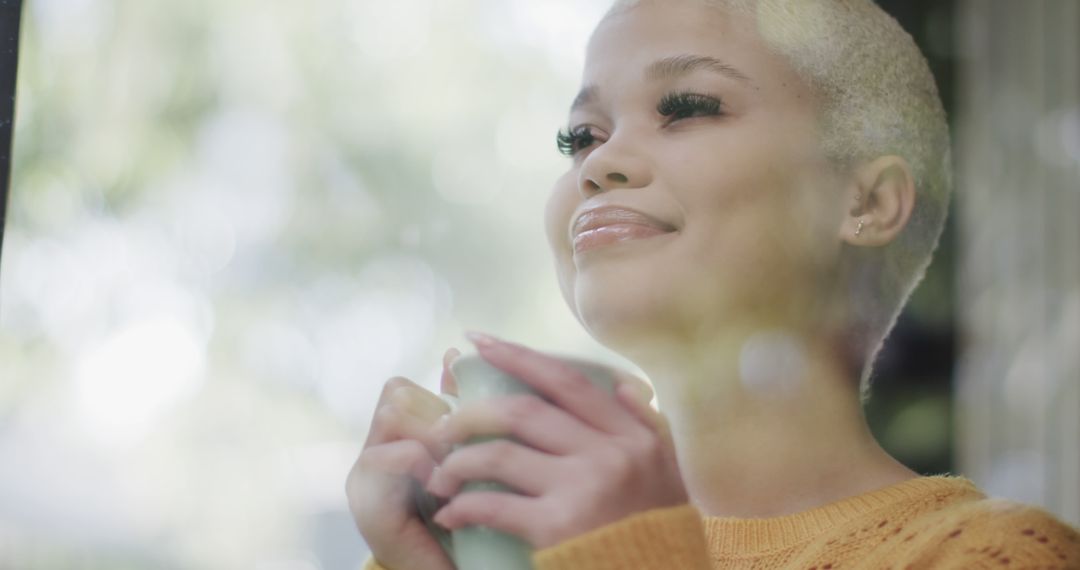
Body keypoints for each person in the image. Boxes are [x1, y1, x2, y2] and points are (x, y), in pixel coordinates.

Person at [347, 0, 1080, 568]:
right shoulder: (508, 552)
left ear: (866, 203)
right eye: (583, 136)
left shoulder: (998, 555)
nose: (598, 165)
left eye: (687, 109)